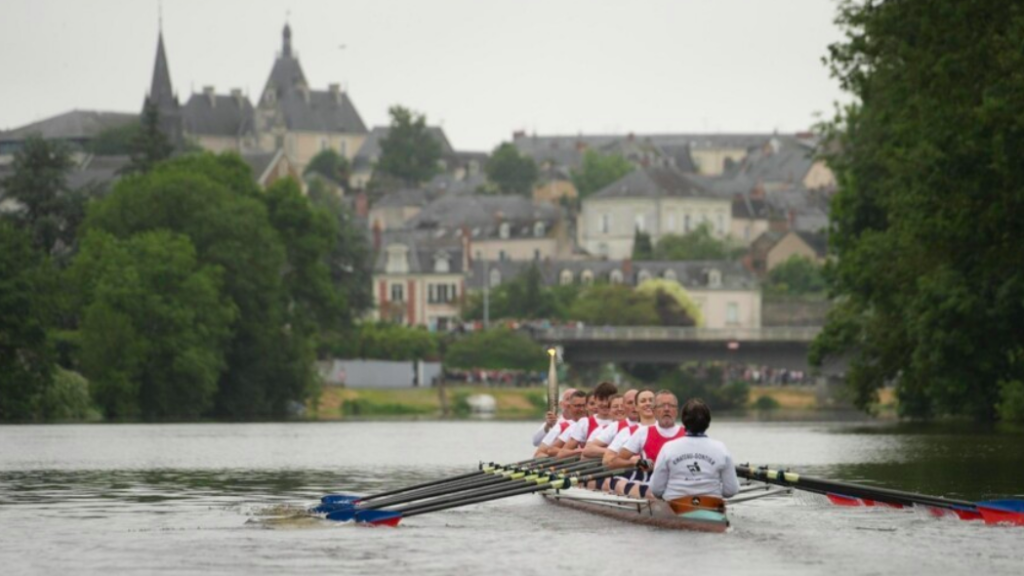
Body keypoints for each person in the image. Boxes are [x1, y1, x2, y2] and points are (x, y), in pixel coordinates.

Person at [648, 398, 739, 512]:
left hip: (675, 506)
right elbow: (731, 490)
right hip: (711, 506)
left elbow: (656, 489)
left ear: (684, 421)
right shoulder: (721, 448)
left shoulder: (668, 448)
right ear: (708, 422)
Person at [609, 390, 686, 498]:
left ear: (677, 411)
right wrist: (636, 463)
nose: (666, 409)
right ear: (654, 411)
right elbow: (614, 462)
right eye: (662, 406)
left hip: (681, 484)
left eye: (671, 406)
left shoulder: (687, 433)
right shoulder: (643, 432)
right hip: (649, 483)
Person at [556, 382, 617, 458]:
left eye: (608, 400)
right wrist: (582, 451)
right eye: (601, 400)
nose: (605, 404)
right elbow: (562, 453)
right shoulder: (585, 423)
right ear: (595, 400)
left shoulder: (621, 423)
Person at [533, 390, 587, 458]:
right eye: (578, 406)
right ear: (562, 404)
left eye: (584, 405)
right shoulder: (561, 426)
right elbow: (538, 451)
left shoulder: (595, 424)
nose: (582, 409)